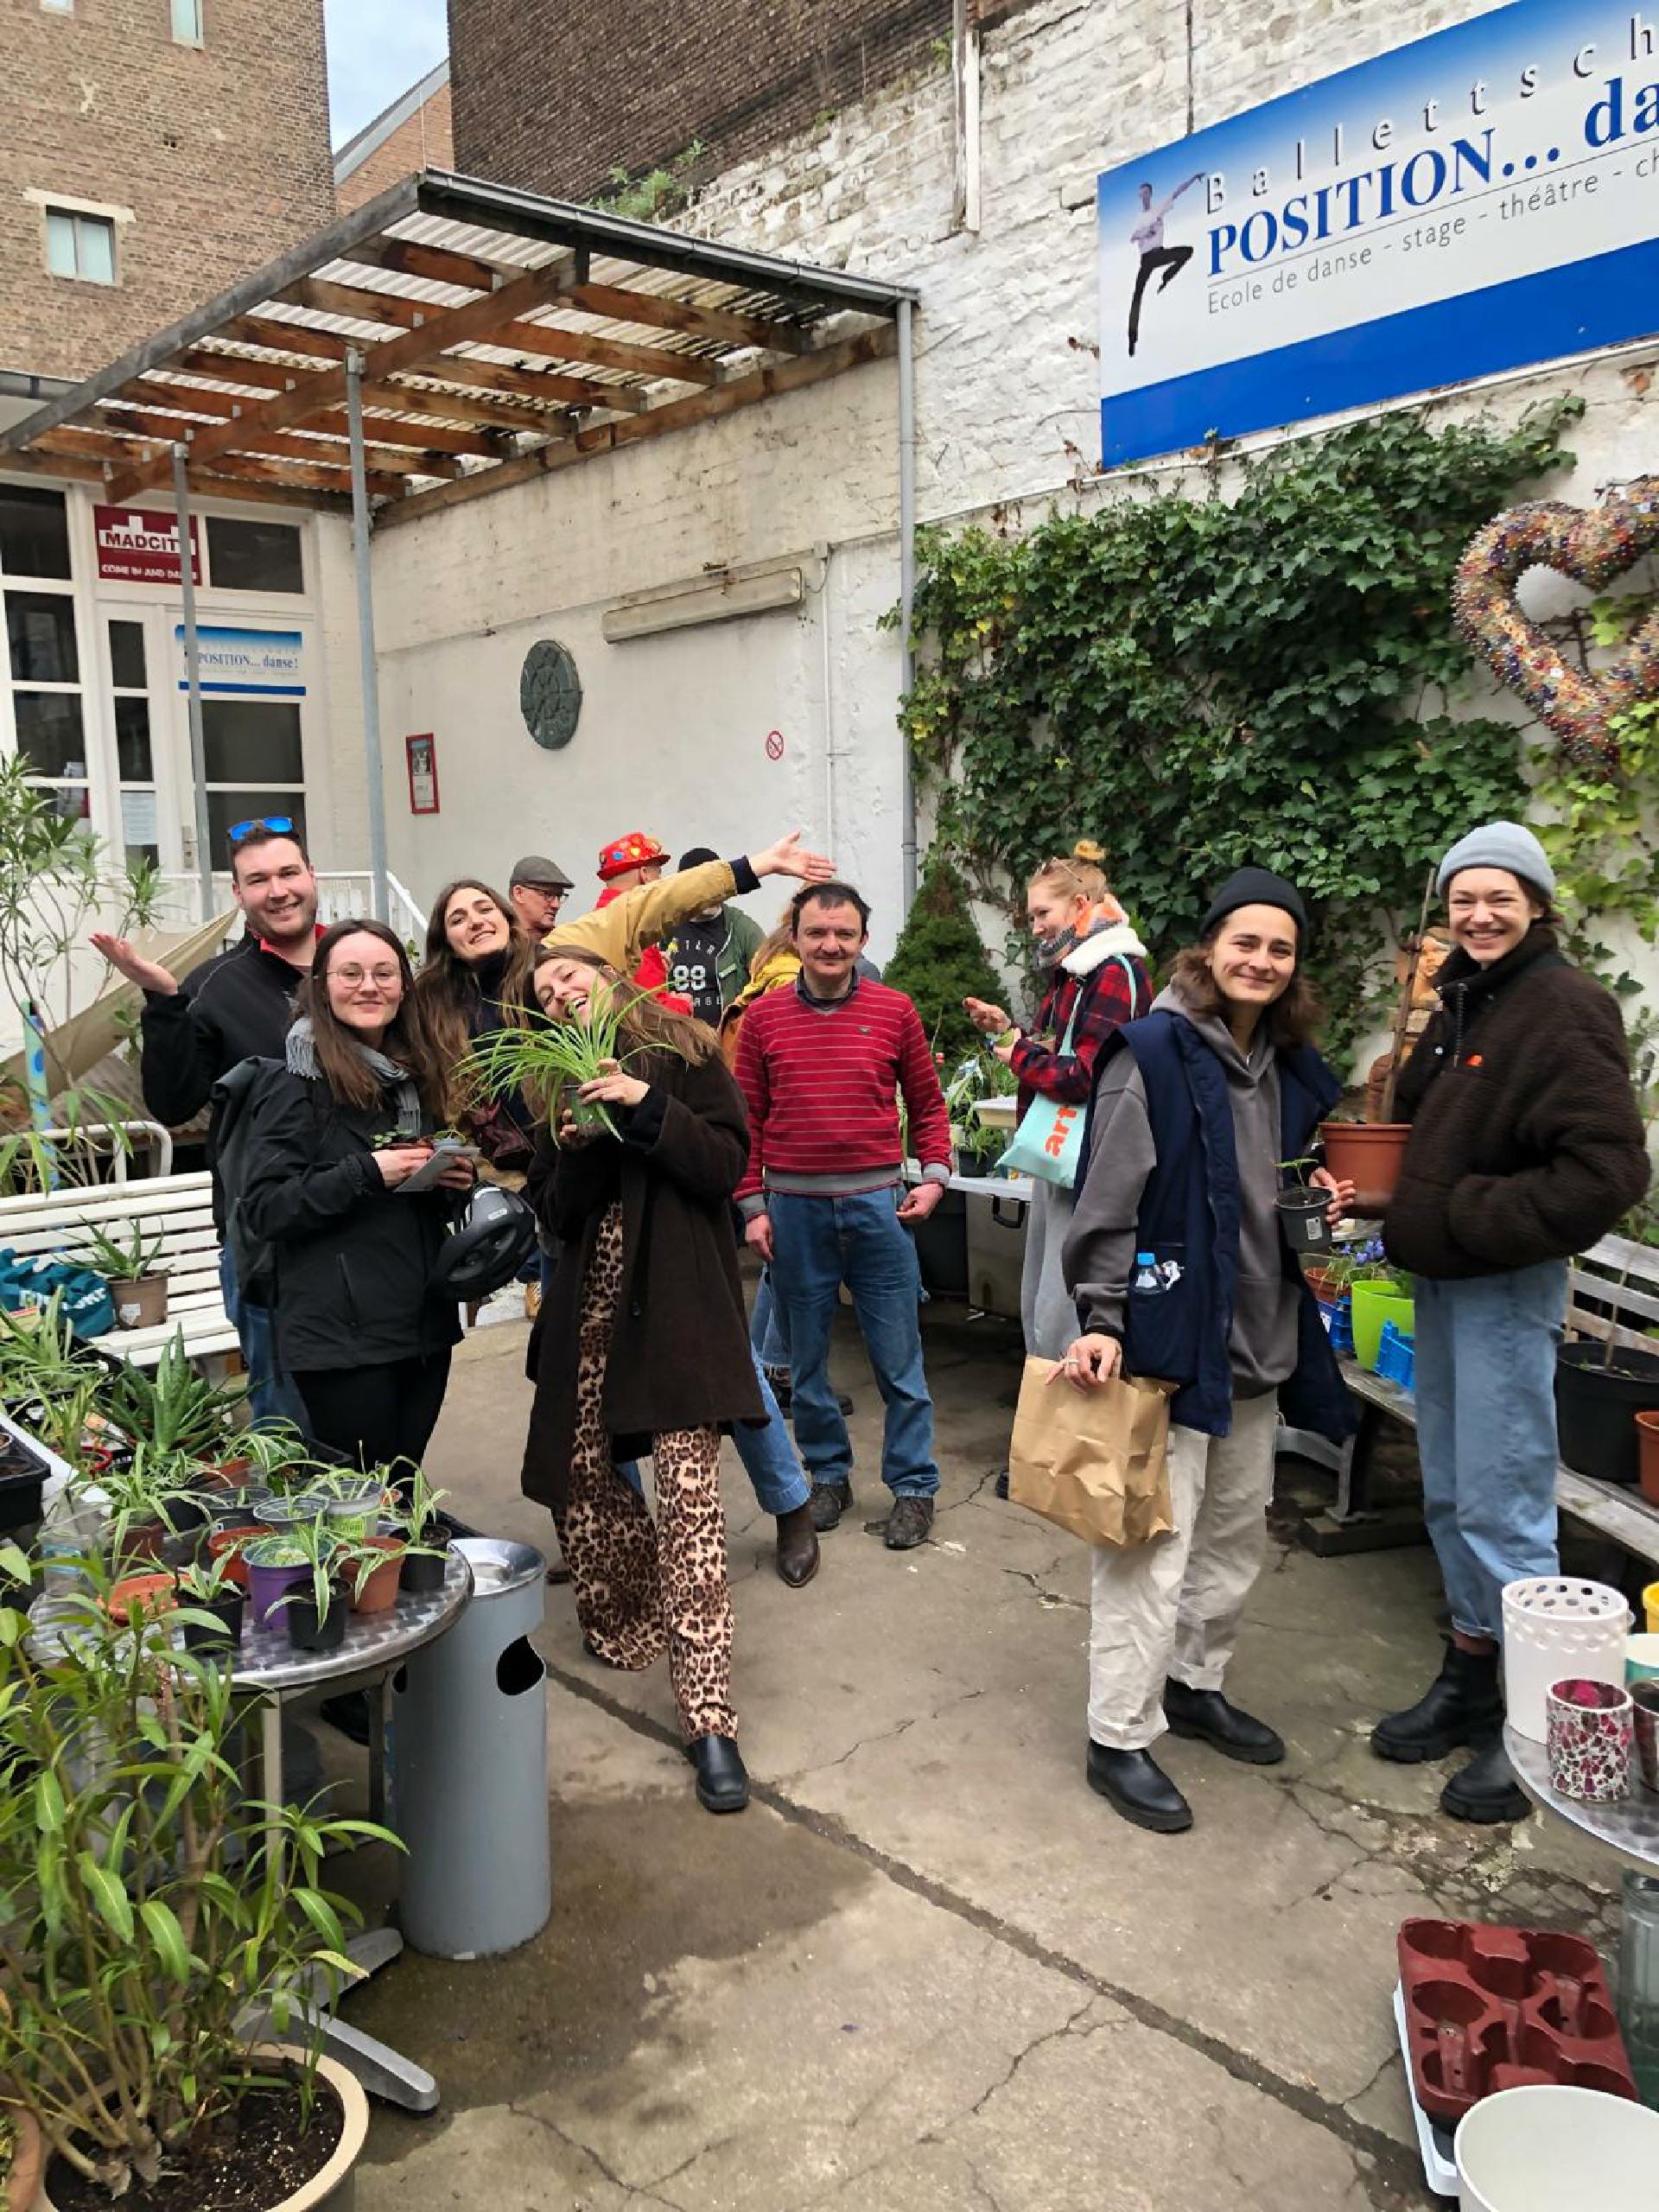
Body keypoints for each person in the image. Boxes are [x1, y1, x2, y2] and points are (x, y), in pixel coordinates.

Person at [1059, 868, 1354, 1834]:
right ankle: (1117, 1735)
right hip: (1171, 1346)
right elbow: (1107, 1200)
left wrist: (1327, 1213)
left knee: (1232, 1543)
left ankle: (1194, 1684)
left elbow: (1293, 1197)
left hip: (1262, 1344)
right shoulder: (1149, 1053)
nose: (1261, 961)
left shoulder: (1294, 1068)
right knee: (1149, 1550)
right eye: (1246, 942)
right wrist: (1102, 1319)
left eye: (1280, 948)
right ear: (1210, 947)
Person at [1370, 823, 1650, 1824]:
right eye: (1464, 900)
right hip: (1446, 1284)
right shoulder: (1464, 998)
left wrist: (1462, 1214)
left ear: (1537, 903)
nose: (1480, 915)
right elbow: (1427, 1129)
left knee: (1504, 1502)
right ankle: (1470, 1673)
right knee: (1452, 1491)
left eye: (1500, 897)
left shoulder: (1564, 1006)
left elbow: (1607, 1171)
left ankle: (1533, 1724)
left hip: (1502, 1284)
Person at [519, 947, 764, 1813]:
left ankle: (710, 1721)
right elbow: (553, 1212)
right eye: (545, 992)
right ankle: (630, 1619)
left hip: (679, 1310)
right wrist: (583, 1145)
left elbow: (724, 1166)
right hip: (589, 1309)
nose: (560, 991)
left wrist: (644, 1106)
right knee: (578, 1481)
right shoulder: (548, 1087)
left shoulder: (685, 1049)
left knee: (691, 1506)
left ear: (609, 977)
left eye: (571, 974)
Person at [734, 882, 950, 1551]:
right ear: (794, 938)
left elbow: (928, 1102)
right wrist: (752, 1206)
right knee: (806, 1363)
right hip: (793, 1212)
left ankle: (913, 1485)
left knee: (899, 1361)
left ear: (862, 940)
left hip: (879, 1207)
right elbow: (746, 1120)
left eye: (844, 934)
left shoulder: (894, 1010)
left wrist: (934, 1177)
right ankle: (828, 1476)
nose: (830, 945)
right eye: (817, 933)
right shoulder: (763, 1019)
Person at [91, 818, 320, 1427]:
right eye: (259, 880)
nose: (278, 890)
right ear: (239, 895)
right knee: (288, 1419)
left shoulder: (358, 965)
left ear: (311, 876)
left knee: (378, 1404)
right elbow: (171, 1103)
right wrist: (165, 1002)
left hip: (367, 1223)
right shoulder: (215, 986)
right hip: (267, 1240)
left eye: (288, 873)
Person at [239, 921, 474, 1474]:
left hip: (420, 1324)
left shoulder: (411, 1079)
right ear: (322, 987)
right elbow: (265, 1208)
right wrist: (367, 1171)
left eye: (384, 974)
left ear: (404, 988)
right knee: (365, 1497)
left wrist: (448, 1183)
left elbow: (413, 1203)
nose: (369, 986)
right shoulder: (294, 1081)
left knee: (402, 1483)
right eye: (351, 974)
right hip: (339, 1338)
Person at [964, 845, 1152, 1368]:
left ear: (1081, 905)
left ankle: (1068, 1409)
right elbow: (1063, 1054)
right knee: (1044, 1297)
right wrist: (1010, 1034)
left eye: (1043, 913)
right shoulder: (1078, 970)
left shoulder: (1113, 972)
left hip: (1088, 1159)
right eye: (1032, 917)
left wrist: (1020, 1054)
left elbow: (1084, 1077)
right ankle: (1052, 1404)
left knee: (1065, 1302)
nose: (1036, 927)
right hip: (1064, 1153)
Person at [413, 879, 540, 1179]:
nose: (475, 922)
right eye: (458, 920)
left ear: (506, 919)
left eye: (485, 909)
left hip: (574, 1158)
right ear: (448, 944)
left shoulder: (547, 977)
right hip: (506, 1178)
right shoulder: (435, 1010)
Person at [664, 847, 764, 1027]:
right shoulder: (663, 927)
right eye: (702, 887)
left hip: (725, 1037)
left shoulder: (741, 928)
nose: (711, 894)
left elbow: (769, 976)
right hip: (674, 1037)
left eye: (716, 885)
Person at [592, 830, 677, 1001]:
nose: (660, 880)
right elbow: (652, 1005)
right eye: (658, 873)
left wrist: (656, 965)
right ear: (644, 874)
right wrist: (683, 1004)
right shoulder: (634, 927)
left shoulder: (596, 919)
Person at [1127, 174, 1203, 357]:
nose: (1145, 196)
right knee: (1137, 295)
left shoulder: (1158, 210)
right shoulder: (1140, 218)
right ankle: (1132, 339)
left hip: (1159, 253)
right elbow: (1133, 237)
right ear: (1140, 196)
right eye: (1142, 193)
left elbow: (1177, 192)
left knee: (1187, 251)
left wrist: (1193, 179)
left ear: (1150, 194)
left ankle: (1166, 277)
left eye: (1147, 192)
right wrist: (1146, 232)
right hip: (1146, 259)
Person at [508, 855, 574, 941]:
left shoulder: (562, 942)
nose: (556, 905)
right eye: (548, 895)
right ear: (519, 893)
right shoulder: (497, 941)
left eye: (559, 896)